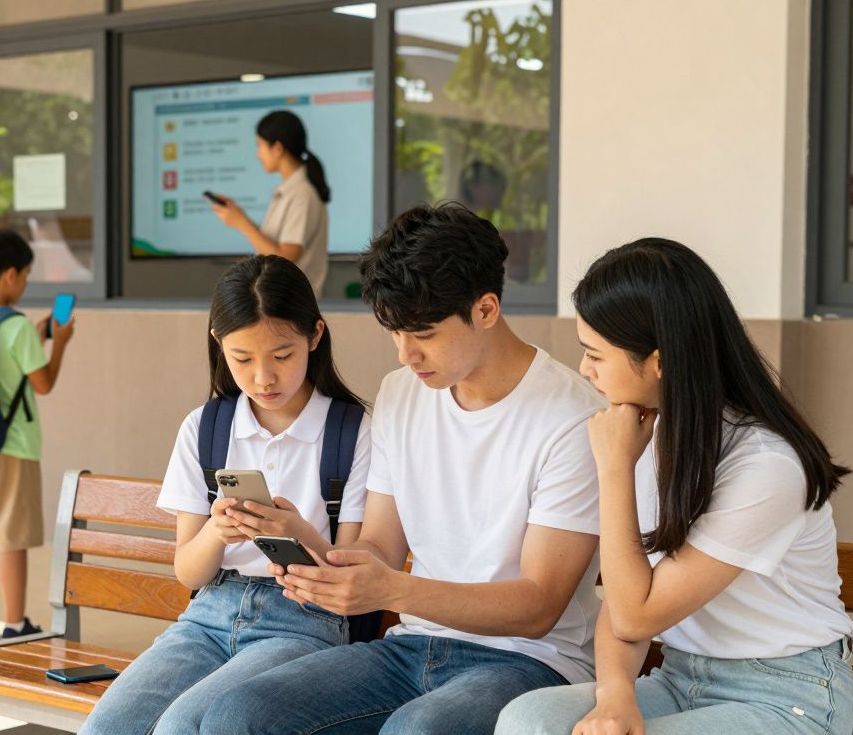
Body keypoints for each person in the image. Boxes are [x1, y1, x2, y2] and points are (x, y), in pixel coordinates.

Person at [199, 202, 605, 735]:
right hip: (411, 646)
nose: (406, 355)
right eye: (394, 333)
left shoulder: (573, 417)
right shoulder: (401, 394)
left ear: (485, 309)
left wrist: (392, 591)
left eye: (424, 334)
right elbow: (381, 549)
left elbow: (537, 607)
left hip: (529, 661)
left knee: (416, 730)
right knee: (238, 715)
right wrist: (313, 550)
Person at [496, 238, 853, 734]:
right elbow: (624, 597)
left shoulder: (768, 465)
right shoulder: (652, 429)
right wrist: (615, 697)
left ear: (660, 361)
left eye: (595, 355)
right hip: (679, 679)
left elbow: (635, 616)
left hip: (787, 695)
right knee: (528, 720)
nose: (584, 369)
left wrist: (615, 469)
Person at [79, 254, 371, 734]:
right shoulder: (206, 428)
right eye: (243, 359)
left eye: (282, 356)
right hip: (207, 616)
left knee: (182, 727)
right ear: (219, 343)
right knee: (107, 727)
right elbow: (188, 571)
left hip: (303, 623)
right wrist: (216, 532)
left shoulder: (352, 433)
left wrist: (298, 532)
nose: (263, 377)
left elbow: (354, 578)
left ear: (315, 336)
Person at [0, 228, 75, 644]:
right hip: (13, 446)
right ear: (9, 275)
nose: (24, 283)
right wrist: (59, 343)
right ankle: (15, 623)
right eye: (24, 275)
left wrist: (35, 340)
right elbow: (43, 383)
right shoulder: (18, 326)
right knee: (12, 538)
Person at [211, 110, 331, 298]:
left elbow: (285, 258)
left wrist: (242, 223)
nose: (258, 154)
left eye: (259, 145)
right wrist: (238, 216)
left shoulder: (302, 194)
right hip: (283, 302)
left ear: (277, 148)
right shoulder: (289, 190)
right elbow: (272, 246)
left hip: (292, 304)